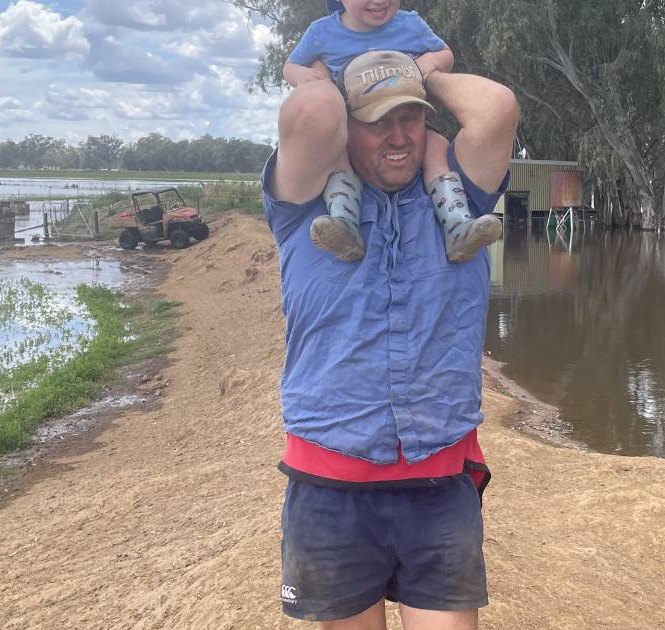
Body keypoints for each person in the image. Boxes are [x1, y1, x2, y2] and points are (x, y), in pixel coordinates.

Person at [264, 49, 519, 630]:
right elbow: (308, 115)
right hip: (330, 485)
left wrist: (421, 74)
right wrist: (335, 78)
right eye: (376, 121)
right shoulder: (305, 204)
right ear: (347, 127)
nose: (398, 136)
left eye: (411, 117)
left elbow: (497, 109)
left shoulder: (463, 199)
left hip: (439, 480)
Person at [282, 0, 502, 264]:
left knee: (437, 149)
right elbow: (290, 67)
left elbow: (445, 54)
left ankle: (456, 224)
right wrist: (307, 79)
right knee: (337, 155)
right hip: (355, 122)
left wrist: (428, 65)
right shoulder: (321, 32)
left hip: (408, 112)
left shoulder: (411, 24)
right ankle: (343, 222)